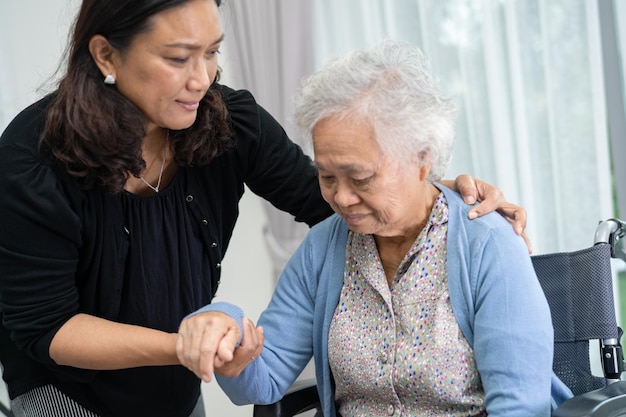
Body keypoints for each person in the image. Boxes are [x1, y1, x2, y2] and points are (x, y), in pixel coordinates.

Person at [0, 1, 527, 416]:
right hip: (67, 389)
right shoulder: (34, 159)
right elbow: (47, 328)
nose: (202, 78)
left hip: (178, 379)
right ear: (107, 55)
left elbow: (334, 196)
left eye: (211, 52)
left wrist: (442, 192)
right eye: (179, 57)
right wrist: (206, 332)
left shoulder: (227, 123)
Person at [196, 40, 573, 416]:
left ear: (422, 160)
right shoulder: (322, 249)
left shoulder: (486, 245)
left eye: (360, 178)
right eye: (327, 176)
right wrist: (225, 330)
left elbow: (519, 406)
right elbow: (263, 379)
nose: (341, 198)